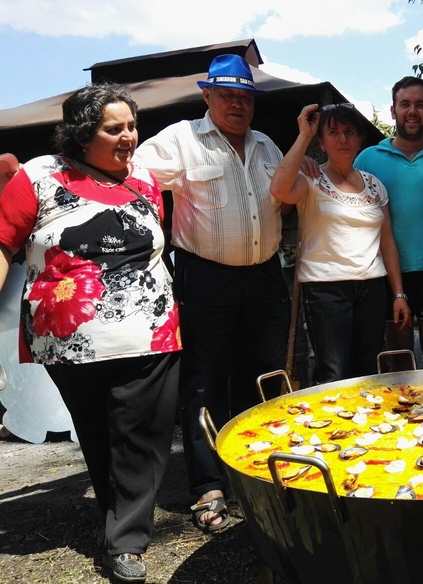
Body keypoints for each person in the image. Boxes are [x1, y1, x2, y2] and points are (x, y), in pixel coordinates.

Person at [0, 83, 181, 584]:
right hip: (68, 338)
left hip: (149, 331)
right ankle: (117, 514)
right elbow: (4, 243)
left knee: (140, 434)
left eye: (131, 126)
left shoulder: (144, 180)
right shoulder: (38, 176)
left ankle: (126, 542)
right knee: (98, 431)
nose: (129, 137)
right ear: (82, 135)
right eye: (113, 128)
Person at [135, 54, 290, 532]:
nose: (237, 105)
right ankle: (209, 486)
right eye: (227, 96)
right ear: (207, 96)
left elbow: (289, 192)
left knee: (263, 377)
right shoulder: (181, 139)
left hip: (266, 276)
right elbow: (132, 179)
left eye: (245, 97)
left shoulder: (266, 145)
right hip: (205, 276)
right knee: (204, 379)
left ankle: (259, 470)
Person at [269, 103, 411, 383]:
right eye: (333, 133)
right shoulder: (310, 178)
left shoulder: (375, 185)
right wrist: (304, 136)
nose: (342, 139)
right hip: (325, 289)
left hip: (372, 287)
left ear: (359, 140)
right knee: (333, 374)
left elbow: (387, 243)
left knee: (369, 370)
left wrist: (398, 294)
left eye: (349, 132)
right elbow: (279, 190)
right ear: (322, 142)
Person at [353, 76, 423, 370]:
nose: (412, 111)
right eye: (405, 104)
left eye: (420, 105)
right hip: (387, 270)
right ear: (393, 110)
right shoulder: (367, 159)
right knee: (400, 358)